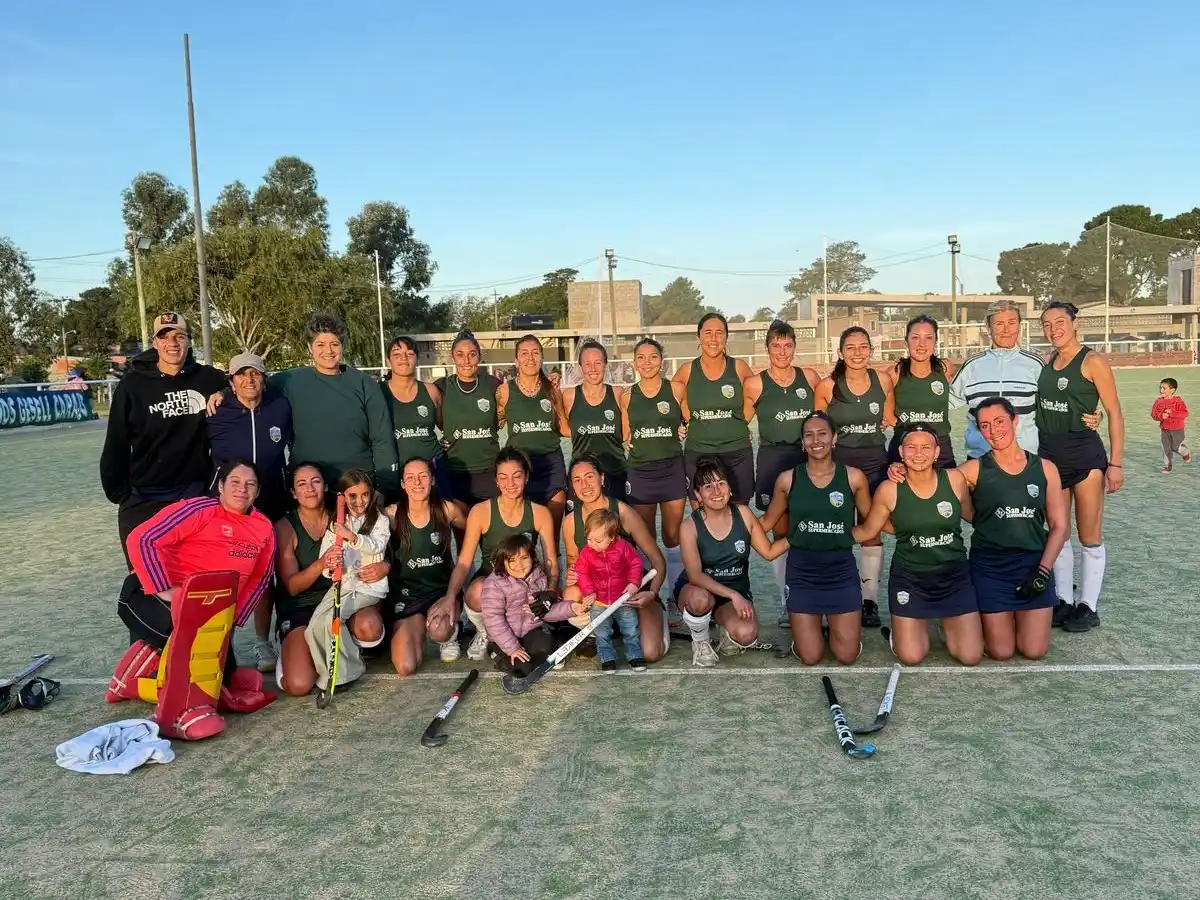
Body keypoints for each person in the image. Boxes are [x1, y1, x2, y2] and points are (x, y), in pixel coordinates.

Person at [105, 460, 277, 740]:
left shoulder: (263, 528)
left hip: (210, 613)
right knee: (193, 659)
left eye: (250, 484)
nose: (242, 489)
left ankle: (130, 681)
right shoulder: (199, 509)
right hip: (152, 596)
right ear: (220, 486)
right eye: (235, 481)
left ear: (257, 492)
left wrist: (232, 620)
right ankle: (177, 711)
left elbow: (259, 578)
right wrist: (166, 591)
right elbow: (141, 539)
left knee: (222, 676)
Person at [211, 312, 398, 500]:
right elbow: (252, 385)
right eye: (320, 345)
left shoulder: (364, 384)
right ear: (310, 348)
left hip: (356, 488)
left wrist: (383, 488)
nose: (328, 351)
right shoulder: (290, 380)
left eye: (334, 344)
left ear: (342, 346)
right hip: (308, 492)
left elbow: (382, 439)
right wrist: (223, 392)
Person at [101, 312, 228, 569]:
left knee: (195, 578)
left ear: (189, 341)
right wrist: (120, 493)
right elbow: (116, 441)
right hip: (145, 497)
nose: (173, 342)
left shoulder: (207, 378)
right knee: (146, 581)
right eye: (165, 336)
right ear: (155, 342)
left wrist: (223, 392)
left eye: (179, 336)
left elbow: (245, 384)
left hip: (194, 496)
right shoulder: (132, 385)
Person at [853, 426, 983, 666]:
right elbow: (868, 530)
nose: (918, 453)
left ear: (936, 453)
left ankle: (945, 624)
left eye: (926, 447)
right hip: (911, 578)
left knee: (970, 655)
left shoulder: (954, 479)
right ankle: (905, 631)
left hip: (953, 576)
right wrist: (825, 531)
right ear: (901, 452)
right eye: (911, 447)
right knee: (911, 656)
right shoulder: (889, 489)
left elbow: (972, 515)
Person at [1037, 301, 1125, 634]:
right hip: (1050, 457)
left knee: (1089, 536)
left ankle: (1088, 606)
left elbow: (1114, 412)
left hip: (1085, 457)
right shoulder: (1048, 361)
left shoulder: (1093, 361)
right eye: (1047, 324)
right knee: (1059, 531)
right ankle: (1062, 599)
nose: (1053, 328)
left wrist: (1115, 463)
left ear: (1074, 323)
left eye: (1060, 321)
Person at [759, 413, 872, 665]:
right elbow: (766, 523)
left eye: (822, 433)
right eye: (809, 435)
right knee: (810, 657)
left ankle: (836, 628)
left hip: (840, 573)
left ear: (834, 438)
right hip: (802, 573)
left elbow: (872, 522)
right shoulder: (788, 479)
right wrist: (730, 517)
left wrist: (848, 533)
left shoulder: (853, 477)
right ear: (802, 442)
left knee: (846, 655)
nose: (816, 440)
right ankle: (811, 629)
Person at [205, 351, 293, 672]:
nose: (249, 380)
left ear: (264, 378)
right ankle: (219, 641)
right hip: (228, 511)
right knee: (226, 577)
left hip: (271, 504)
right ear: (231, 381)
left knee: (265, 576)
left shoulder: (280, 408)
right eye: (241, 374)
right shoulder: (216, 411)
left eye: (255, 374)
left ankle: (262, 642)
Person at [965, 398, 1069, 660]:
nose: (994, 431)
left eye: (1000, 422)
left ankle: (1005, 619)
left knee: (1034, 651)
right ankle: (965, 623)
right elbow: (933, 483)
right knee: (1001, 651)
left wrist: (1043, 572)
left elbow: (1059, 526)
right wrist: (899, 469)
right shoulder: (974, 469)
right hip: (990, 567)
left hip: (1033, 565)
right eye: (985, 426)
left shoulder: (1046, 469)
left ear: (1014, 420)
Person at [742, 319, 822, 624]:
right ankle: (787, 601)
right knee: (781, 529)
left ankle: (814, 593)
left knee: (814, 525)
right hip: (773, 459)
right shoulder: (755, 383)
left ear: (795, 347)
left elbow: (822, 419)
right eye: (776, 345)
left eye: (788, 344)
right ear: (767, 348)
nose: (782, 350)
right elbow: (740, 421)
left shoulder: (810, 378)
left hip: (807, 460)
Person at [815, 325, 895, 629]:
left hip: (875, 465)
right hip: (839, 471)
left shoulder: (883, 380)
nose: (857, 353)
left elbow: (890, 418)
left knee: (870, 531)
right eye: (851, 347)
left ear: (871, 351)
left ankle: (868, 600)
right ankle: (833, 596)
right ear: (840, 352)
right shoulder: (827, 386)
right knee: (834, 530)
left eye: (863, 347)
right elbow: (818, 430)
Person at [447, 448, 560, 661]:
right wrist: (449, 597)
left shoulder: (540, 513)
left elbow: (551, 560)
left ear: (526, 477)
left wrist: (550, 592)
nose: (511, 483)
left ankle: (531, 628)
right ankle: (487, 633)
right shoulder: (481, 511)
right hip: (493, 581)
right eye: (504, 477)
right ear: (496, 481)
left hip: (526, 583)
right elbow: (464, 561)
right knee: (476, 591)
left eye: (517, 476)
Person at [677, 456, 790, 667]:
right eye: (707, 486)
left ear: (729, 488)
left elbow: (768, 551)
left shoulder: (744, 514)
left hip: (733, 594)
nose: (716, 491)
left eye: (721, 483)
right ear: (698, 495)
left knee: (746, 634)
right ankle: (700, 642)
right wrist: (733, 595)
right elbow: (695, 575)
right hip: (700, 590)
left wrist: (798, 535)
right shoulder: (689, 526)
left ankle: (726, 631)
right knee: (700, 600)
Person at [561, 455, 669, 663]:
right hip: (600, 596)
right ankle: (600, 629)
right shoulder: (570, 522)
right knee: (570, 593)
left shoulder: (624, 513)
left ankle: (654, 616)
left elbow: (658, 561)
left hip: (632, 593)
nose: (585, 485)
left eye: (590, 477)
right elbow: (574, 568)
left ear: (602, 478)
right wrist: (572, 575)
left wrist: (652, 593)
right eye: (577, 480)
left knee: (650, 653)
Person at [618, 337, 688, 601]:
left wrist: (684, 427)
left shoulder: (677, 390)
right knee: (646, 537)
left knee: (672, 536)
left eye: (653, 357)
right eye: (641, 358)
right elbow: (626, 434)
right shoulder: (627, 395)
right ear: (634, 362)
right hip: (640, 472)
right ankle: (652, 594)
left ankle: (675, 595)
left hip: (672, 469)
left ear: (662, 360)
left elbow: (688, 420)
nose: (647, 363)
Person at [273, 464, 351, 696]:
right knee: (299, 685)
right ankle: (287, 651)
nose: (310, 489)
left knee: (369, 624)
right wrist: (321, 564)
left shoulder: (339, 517)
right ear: (294, 493)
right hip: (301, 608)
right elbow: (293, 587)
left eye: (315, 482)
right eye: (301, 484)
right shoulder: (285, 527)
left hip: (334, 603)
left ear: (325, 486)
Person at [385, 456, 468, 675]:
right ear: (402, 484)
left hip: (442, 593)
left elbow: (473, 532)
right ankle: (416, 629)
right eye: (410, 478)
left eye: (423, 476)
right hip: (408, 598)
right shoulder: (392, 515)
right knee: (405, 666)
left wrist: (461, 556)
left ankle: (450, 634)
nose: (418, 483)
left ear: (432, 480)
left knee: (439, 631)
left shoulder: (447, 510)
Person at [671, 312, 756, 504]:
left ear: (727, 336)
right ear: (698, 337)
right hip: (699, 453)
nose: (713, 338)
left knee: (739, 516)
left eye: (719, 332)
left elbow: (755, 398)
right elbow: (668, 402)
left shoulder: (739, 368)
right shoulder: (687, 371)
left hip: (737, 452)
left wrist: (740, 424)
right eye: (707, 332)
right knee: (703, 518)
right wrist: (680, 423)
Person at [496, 334, 571, 532]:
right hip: (521, 468)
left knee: (552, 533)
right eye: (524, 353)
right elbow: (491, 425)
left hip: (551, 465)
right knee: (525, 533)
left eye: (535, 353)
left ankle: (553, 563)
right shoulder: (504, 392)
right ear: (516, 360)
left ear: (542, 358)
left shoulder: (552, 390)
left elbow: (564, 428)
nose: (530, 358)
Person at [480, 534, 577, 678]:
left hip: (531, 629)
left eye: (524, 558)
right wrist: (513, 649)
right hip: (504, 636)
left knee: (545, 646)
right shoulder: (494, 583)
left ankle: (540, 649)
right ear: (503, 562)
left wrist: (571, 608)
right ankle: (495, 652)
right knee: (522, 669)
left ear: (532, 557)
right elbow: (493, 619)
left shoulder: (539, 576)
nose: (519, 565)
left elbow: (545, 610)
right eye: (511, 560)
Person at [434, 330, 502, 511]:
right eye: (460, 355)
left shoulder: (493, 384)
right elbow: (427, 421)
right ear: (452, 357)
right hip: (455, 473)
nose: (466, 361)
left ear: (479, 356)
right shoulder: (441, 387)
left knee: (492, 536)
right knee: (464, 536)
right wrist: (435, 444)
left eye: (472, 355)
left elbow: (502, 420)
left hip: (489, 471)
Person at [571, 508, 645, 673]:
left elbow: (635, 563)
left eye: (598, 540)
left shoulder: (623, 548)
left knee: (630, 628)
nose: (592, 544)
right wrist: (589, 591)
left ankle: (634, 655)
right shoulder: (586, 553)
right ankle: (608, 659)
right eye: (589, 539)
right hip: (599, 601)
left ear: (612, 537)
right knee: (602, 632)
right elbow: (581, 572)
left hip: (623, 599)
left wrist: (634, 583)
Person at [381, 336, 453, 499]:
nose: (404, 359)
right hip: (397, 472)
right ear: (388, 361)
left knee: (443, 515)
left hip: (432, 468)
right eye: (397, 354)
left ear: (417, 358)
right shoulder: (378, 393)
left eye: (409, 354)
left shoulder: (430, 391)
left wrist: (447, 441)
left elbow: (445, 425)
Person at [889, 315, 957, 468]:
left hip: (940, 446)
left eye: (928, 338)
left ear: (935, 341)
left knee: (950, 489)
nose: (921, 344)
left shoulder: (945, 369)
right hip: (906, 446)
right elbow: (885, 412)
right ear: (906, 341)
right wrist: (907, 427)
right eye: (915, 338)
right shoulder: (894, 373)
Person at [563, 339, 627, 500]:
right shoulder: (569, 396)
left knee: (618, 524)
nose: (593, 369)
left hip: (616, 473)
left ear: (606, 365)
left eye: (598, 363)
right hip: (581, 477)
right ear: (580, 367)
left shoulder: (619, 394)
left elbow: (631, 430)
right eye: (587, 364)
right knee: (579, 524)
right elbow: (561, 428)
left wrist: (676, 426)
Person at [1151, 377, 1190, 474]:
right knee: (1166, 448)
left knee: (1175, 448)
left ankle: (1185, 452)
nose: (1161, 390)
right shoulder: (1158, 401)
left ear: (1172, 390)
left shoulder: (1178, 401)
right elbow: (1153, 414)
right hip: (1165, 430)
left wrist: (1172, 413)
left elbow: (1184, 413)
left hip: (1177, 430)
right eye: (1160, 388)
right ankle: (1167, 466)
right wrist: (1161, 416)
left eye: (1164, 388)